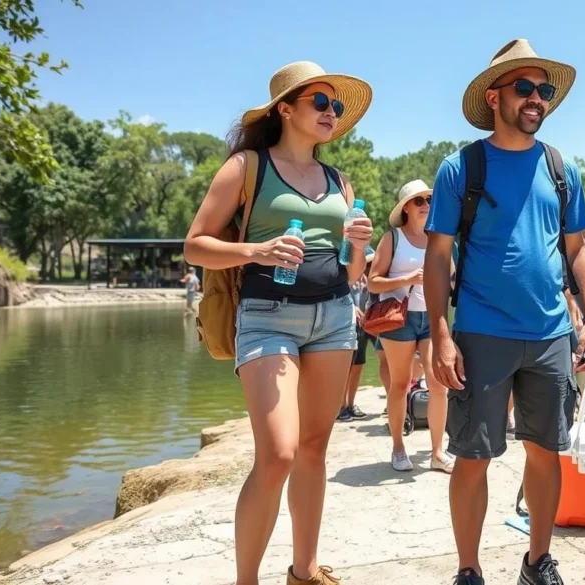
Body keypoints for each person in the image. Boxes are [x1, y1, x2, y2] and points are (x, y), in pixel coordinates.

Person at [183, 61, 373, 585]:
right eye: (320, 102)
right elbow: (195, 244)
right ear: (285, 109)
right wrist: (257, 249)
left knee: (314, 450)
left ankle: (305, 571)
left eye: (336, 106)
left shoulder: (341, 181)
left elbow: (351, 270)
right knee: (279, 453)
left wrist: (357, 247)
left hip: (334, 318)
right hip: (268, 318)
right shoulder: (248, 167)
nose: (331, 112)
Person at [423, 39, 585, 585]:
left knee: (547, 453)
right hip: (480, 332)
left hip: (550, 334)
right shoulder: (462, 167)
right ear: (494, 96)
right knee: (473, 458)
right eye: (524, 88)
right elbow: (438, 254)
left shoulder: (560, 167)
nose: (536, 99)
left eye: (543, 90)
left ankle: (536, 561)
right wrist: (440, 334)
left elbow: (577, 249)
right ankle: (469, 569)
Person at [369, 179, 454, 473]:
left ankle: (437, 452)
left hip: (432, 318)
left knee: (439, 384)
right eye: (419, 201)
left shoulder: (438, 236)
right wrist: (406, 279)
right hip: (399, 319)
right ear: (406, 207)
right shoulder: (393, 238)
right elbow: (373, 281)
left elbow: (452, 277)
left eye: (429, 199)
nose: (427, 205)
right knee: (401, 384)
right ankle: (398, 447)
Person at [338, 246, 376, 422]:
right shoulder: (344, 258)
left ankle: (351, 404)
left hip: (364, 323)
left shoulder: (368, 274)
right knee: (345, 366)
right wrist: (352, 307)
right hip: (345, 320)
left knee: (359, 363)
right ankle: (341, 406)